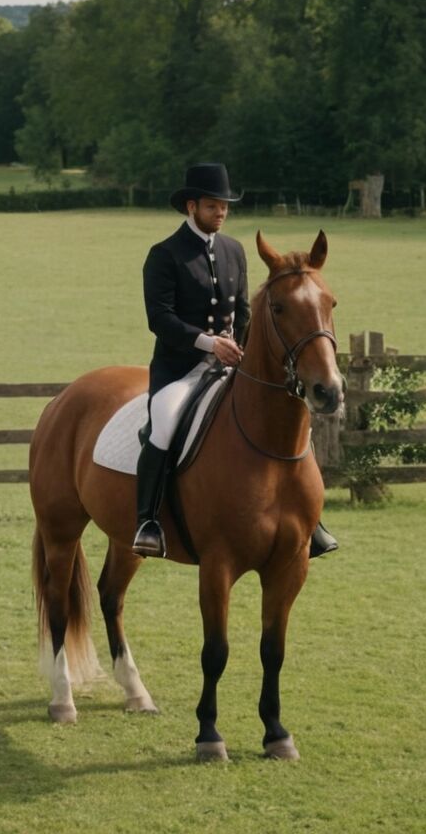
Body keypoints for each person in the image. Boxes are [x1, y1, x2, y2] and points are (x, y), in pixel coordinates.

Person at [133, 164, 339, 560]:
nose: (221, 213)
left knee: (288, 418)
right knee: (163, 421)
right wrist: (209, 343)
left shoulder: (233, 251)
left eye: (224, 206)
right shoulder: (164, 255)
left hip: (232, 364)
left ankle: (309, 520)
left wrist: (240, 346)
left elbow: (244, 311)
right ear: (191, 206)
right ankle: (148, 521)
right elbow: (159, 318)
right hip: (180, 369)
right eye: (213, 206)